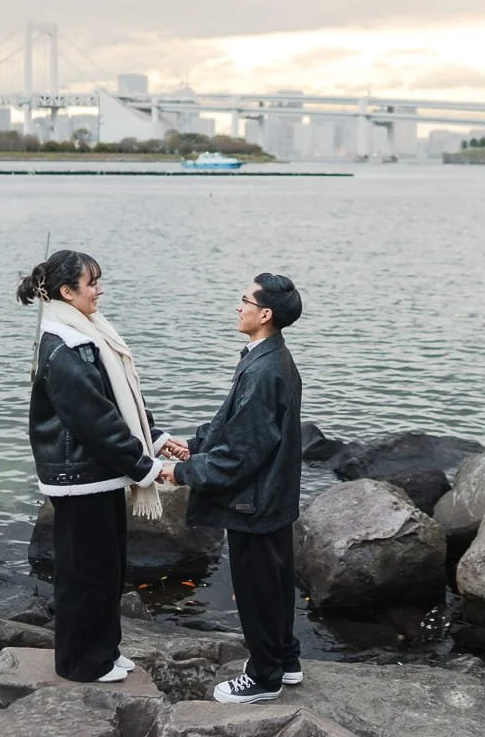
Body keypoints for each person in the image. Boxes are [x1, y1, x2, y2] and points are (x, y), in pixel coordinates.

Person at [20, 249, 186, 683]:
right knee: (83, 575)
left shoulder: (88, 334)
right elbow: (95, 422)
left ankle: (105, 651)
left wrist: (157, 439)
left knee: (107, 569)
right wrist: (144, 466)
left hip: (99, 475)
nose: (100, 290)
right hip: (80, 477)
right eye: (92, 283)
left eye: (97, 281)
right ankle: (80, 663)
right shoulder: (63, 347)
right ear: (66, 291)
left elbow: (121, 401)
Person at [159, 272, 304, 704]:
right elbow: (236, 424)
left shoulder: (263, 370)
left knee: (258, 588)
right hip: (274, 497)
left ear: (265, 313)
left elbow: (243, 452)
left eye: (244, 300)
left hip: (254, 502)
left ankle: (265, 677)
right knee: (276, 582)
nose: (237, 306)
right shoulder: (271, 357)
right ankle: (286, 659)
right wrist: (194, 444)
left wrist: (181, 473)